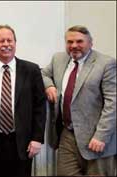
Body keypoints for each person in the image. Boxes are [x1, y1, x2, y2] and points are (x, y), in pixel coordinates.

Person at [41, 25, 116, 176]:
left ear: (90, 43)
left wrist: (101, 136)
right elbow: (43, 74)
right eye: (70, 42)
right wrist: (49, 85)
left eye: (79, 41)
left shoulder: (106, 63)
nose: (74, 45)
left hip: (95, 138)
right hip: (67, 135)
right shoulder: (58, 59)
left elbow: (113, 103)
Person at [0, 25, 46, 177]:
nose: (6, 44)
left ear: (15, 43)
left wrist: (37, 138)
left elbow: (40, 107)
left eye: (10, 40)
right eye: (1, 41)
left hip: (22, 142)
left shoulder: (31, 70)